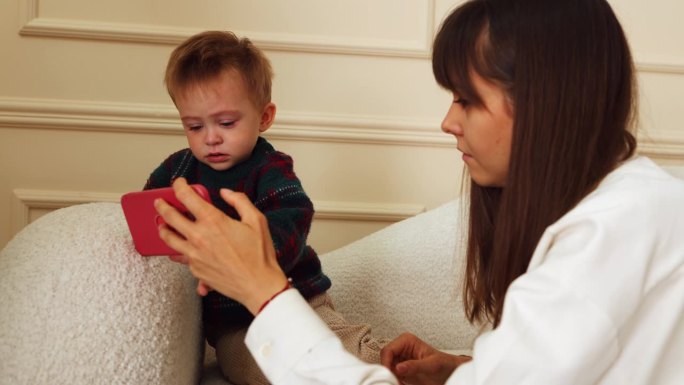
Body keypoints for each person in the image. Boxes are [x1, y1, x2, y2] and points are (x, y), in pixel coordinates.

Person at [154, 1, 684, 384]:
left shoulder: (610, 234)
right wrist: (464, 369)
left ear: (546, 103)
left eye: (466, 99)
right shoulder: (624, 212)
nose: (447, 122)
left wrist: (263, 290)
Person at [145, 31, 385, 385]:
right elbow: (149, 208)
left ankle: (395, 366)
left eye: (226, 123)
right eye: (194, 126)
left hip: (295, 297)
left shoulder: (270, 169)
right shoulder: (178, 169)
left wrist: (260, 256)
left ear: (264, 116)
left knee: (341, 351)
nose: (210, 138)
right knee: (251, 368)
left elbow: (294, 216)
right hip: (231, 322)